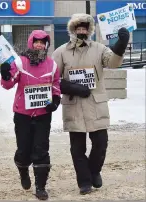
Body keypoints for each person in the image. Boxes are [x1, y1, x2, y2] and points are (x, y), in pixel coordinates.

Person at [52, 13, 130, 195]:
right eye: (78, 28)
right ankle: (84, 182)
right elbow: (53, 79)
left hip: (96, 104)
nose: (81, 31)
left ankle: (94, 171)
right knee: (77, 149)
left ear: (89, 30)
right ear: (72, 30)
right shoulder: (61, 51)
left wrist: (121, 44)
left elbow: (113, 63)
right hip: (74, 105)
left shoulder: (100, 48)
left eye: (84, 28)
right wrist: (71, 87)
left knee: (101, 144)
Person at [0, 30, 61, 200]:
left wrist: (55, 100)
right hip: (23, 115)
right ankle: (23, 172)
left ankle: (40, 187)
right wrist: (5, 74)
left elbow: (55, 84)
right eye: (37, 41)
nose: (39, 45)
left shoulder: (52, 64)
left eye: (43, 42)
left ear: (46, 45)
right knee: (24, 150)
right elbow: (9, 83)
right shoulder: (20, 62)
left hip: (43, 114)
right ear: (31, 42)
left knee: (41, 149)